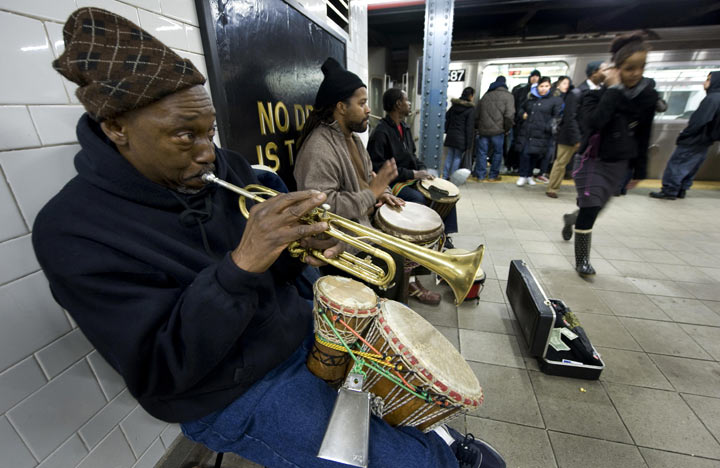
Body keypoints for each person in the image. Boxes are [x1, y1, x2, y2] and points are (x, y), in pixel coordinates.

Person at [32, 9, 504, 468]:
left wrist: (297, 253)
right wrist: (241, 265)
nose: (207, 155)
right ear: (117, 128)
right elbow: (161, 369)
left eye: (209, 132)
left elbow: (273, 270)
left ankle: (437, 444)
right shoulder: (72, 231)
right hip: (225, 389)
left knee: (406, 390)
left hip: (295, 328)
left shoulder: (225, 167)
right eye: (183, 137)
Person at [562, 31, 658, 276]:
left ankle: (572, 219)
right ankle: (582, 260)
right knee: (592, 208)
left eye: (641, 67)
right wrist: (613, 90)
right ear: (616, 68)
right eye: (629, 68)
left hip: (619, 162)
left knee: (594, 208)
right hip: (592, 161)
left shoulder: (647, 96)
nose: (636, 73)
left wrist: (640, 169)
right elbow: (594, 122)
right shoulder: (594, 95)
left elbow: (643, 134)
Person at [367, 88, 458, 305]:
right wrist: (412, 174)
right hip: (394, 182)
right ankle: (415, 268)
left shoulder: (404, 127)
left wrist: (424, 171)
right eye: (407, 100)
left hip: (409, 176)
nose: (409, 104)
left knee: (443, 194)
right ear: (398, 104)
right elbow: (378, 166)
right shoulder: (381, 132)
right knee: (417, 201)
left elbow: (411, 156)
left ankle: (443, 242)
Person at [650, 71, 720, 199]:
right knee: (691, 166)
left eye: (708, 80)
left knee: (678, 164)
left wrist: (685, 134)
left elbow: (699, 121)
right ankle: (681, 189)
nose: (705, 82)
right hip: (705, 140)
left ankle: (670, 190)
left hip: (693, 139)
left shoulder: (712, 99)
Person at [514, 77, 563, 186]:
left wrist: (548, 127)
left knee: (534, 155)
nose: (544, 89)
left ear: (550, 87)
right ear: (537, 87)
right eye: (541, 86)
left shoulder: (554, 100)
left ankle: (529, 175)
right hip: (528, 131)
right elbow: (521, 109)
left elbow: (556, 117)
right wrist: (522, 114)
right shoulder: (531, 98)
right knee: (525, 154)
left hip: (542, 133)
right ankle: (523, 175)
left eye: (546, 86)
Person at [470, 76, 515, 182]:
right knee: (497, 153)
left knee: (482, 153)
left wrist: (478, 127)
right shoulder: (508, 96)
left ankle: (480, 175)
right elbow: (509, 115)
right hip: (498, 131)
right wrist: (506, 128)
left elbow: (477, 115)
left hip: (483, 131)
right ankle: (492, 176)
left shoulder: (486, 96)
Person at [546, 76, 581, 197]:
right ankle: (552, 188)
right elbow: (569, 118)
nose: (566, 85)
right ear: (558, 85)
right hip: (567, 134)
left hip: (571, 133)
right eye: (563, 83)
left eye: (568, 83)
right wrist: (576, 137)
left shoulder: (571, 96)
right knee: (560, 162)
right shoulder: (569, 97)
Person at [507, 70, 542, 172]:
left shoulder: (542, 94)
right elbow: (517, 106)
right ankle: (514, 165)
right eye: (533, 76)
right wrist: (520, 115)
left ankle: (526, 169)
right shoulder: (521, 91)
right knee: (516, 144)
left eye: (537, 76)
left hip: (535, 126)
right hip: (520, 123)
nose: (534, 78)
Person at [443, 87, 475, 179]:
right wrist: (469, 144)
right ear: (470, 95)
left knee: (449, 155)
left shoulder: (454, 106)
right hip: (461, 137)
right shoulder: (470, 109)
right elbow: (469, 127)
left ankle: (445, 176)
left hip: (451, 135)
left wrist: (447, 129)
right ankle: (453, 178)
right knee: (457, 157)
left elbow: (447, 117)